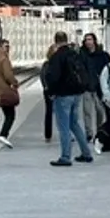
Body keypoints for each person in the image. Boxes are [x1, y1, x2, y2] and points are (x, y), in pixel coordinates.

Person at [44, 31, 95, 166]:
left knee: (64, 127)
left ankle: (66, 157)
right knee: (75, 124)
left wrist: (51, 91)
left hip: (63, 96)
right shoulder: (75, 54)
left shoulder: (57, 56)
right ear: (66, 40)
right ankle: (86, 153)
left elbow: (53, 78)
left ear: (56, 41)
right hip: (77, 94)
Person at [80, 33, 110, 142]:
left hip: (99, 88)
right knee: (87, 111)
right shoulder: (81, 55)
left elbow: (108, 70)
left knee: (100, 111)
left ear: (94, 41)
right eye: (86, 40)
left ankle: (99, 131)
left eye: (90, 39)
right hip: (87, 88)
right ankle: (89, 133)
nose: (88, 42)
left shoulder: (102, 55)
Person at [39, 44, 56, 142]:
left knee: (62, 114)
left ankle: (67, 133)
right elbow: (43, 77)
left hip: (58, 91)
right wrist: (46, 88)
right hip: (49, 91)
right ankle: (48, 135)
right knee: (49, 113)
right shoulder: (47, 64)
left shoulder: (58, 63)